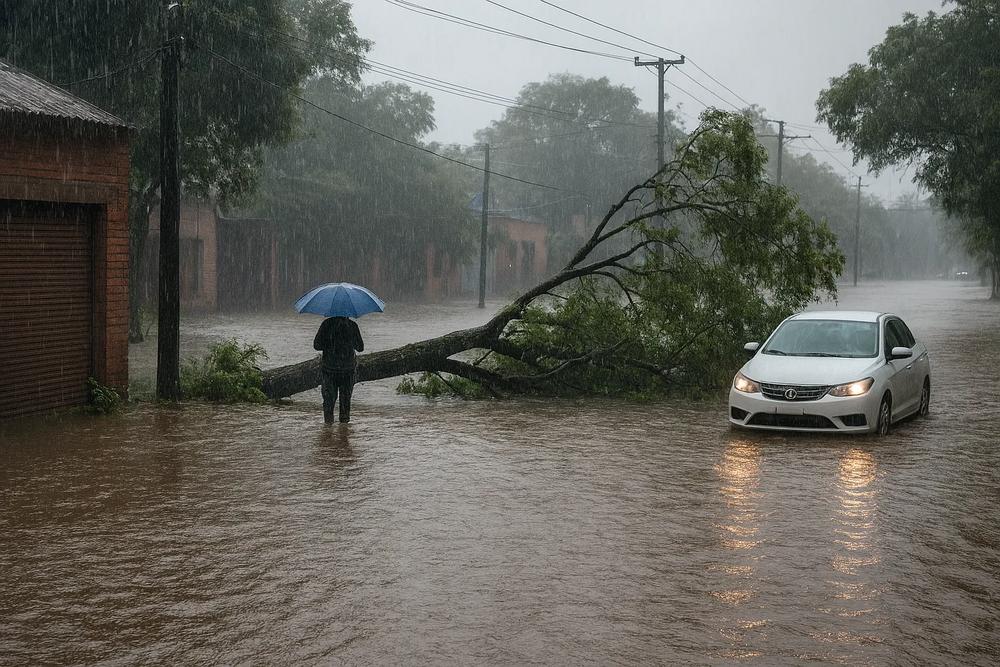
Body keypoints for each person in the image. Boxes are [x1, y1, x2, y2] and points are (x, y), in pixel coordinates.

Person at [313, 316, 364, 423]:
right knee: (345, 402)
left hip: (329, 370)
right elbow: (360, 347)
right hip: (347, 370)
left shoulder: (326, 324)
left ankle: (328, 431)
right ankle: (344, 433)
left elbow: (316, 345)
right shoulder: (352, 325)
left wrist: (329, 342)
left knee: (328, 402)